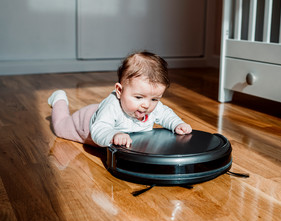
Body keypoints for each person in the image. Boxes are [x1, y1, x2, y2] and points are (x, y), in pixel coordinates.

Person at [48, 51, 192, 148]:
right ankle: (59, 99)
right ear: (119, 90)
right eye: (138, 97)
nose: (146, 105)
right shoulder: (111, 107)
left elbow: (166, 114)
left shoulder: (150, 104)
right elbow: (99, 129)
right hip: (83, 124)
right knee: (60, 127)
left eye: (155, 99)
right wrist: (114, 135)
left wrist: (177, 124)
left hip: (100, 111)